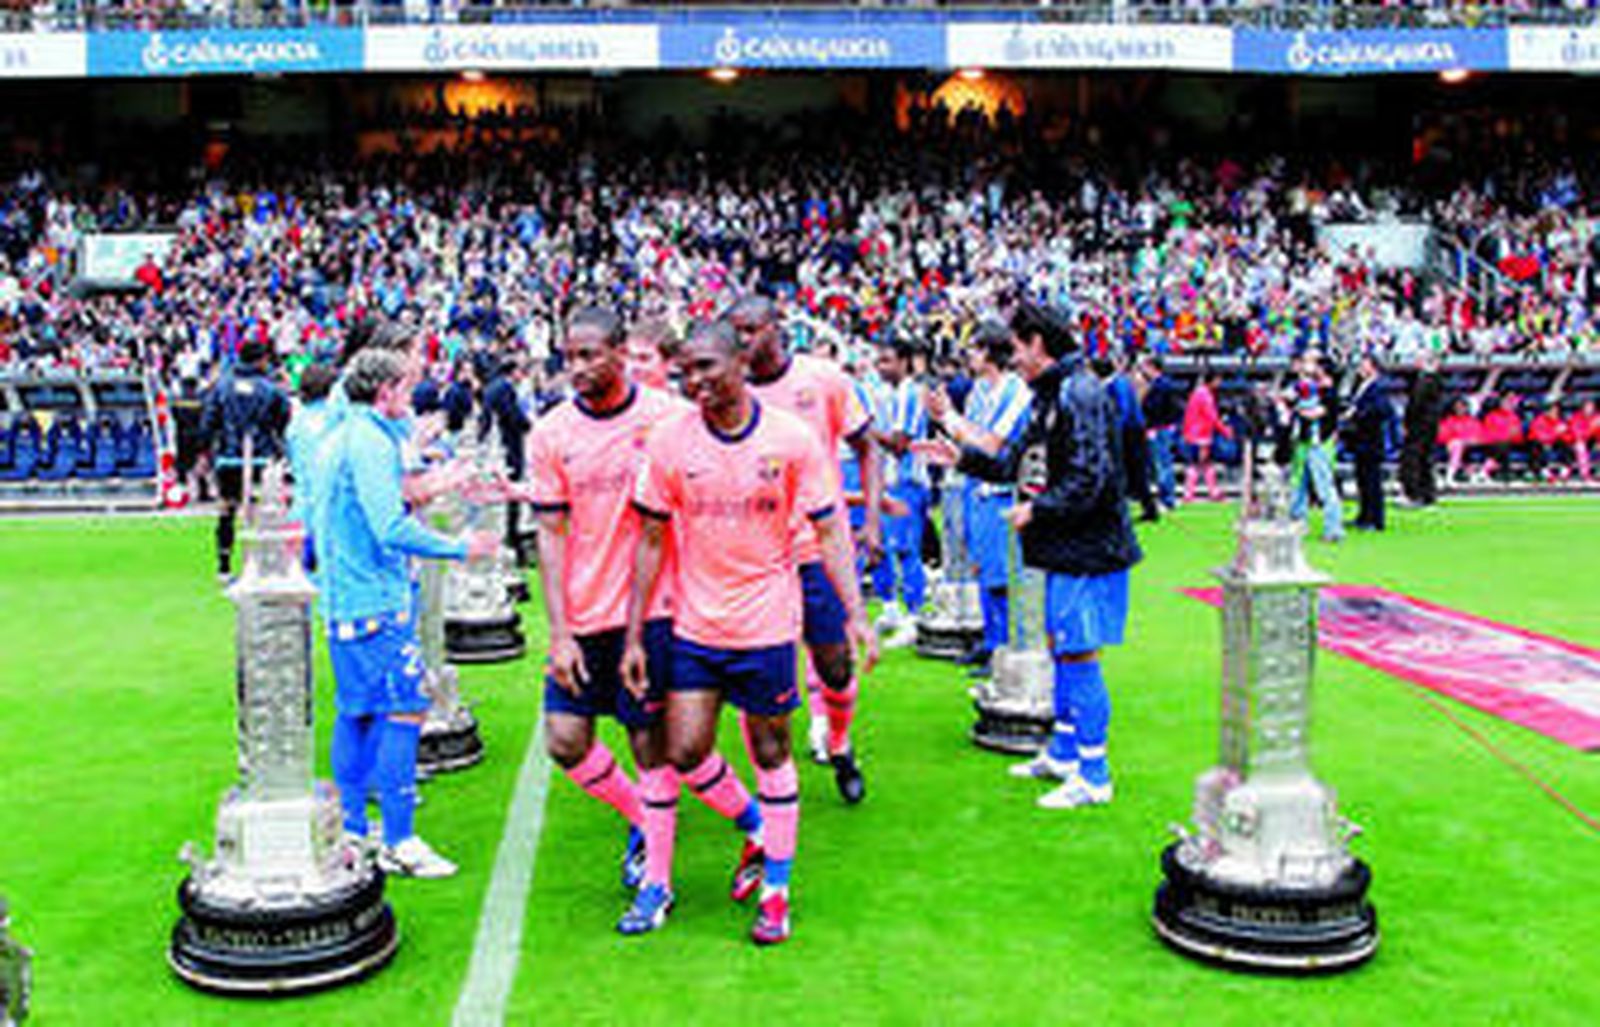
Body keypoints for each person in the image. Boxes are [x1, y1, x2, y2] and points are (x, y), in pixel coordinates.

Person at [621, 320, 876, 945]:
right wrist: (634, 634)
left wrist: (855, 611)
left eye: (707, 367)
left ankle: (776, 893)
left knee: (770, 751)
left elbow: (829, 528)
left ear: (739, 363)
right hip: (695, 624)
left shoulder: (789, 439)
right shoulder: (670, 440)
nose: (696, 381)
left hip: (765, 625)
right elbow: (650, 538)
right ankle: (756, 824)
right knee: (684, 750)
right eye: (687, 371)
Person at [517, 307, 768, 923]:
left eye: (588, 355)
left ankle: (657, 885)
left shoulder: (668, 419)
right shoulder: (550, 433)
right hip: (584, 613)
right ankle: (735, 821)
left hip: (654, 609)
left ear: (619, 353)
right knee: (565, 741)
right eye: (568, 357)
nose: (576, 368)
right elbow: (550, 533)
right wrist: (560, 631)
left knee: (653, 747)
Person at [917, 304, 1141, 810]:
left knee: (1079, 653)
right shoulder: (1050, 395)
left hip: (1090, 549)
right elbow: (1012, 464)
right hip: (1064, 545)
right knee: (1060, 648)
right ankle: (1063, 752)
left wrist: (1037, 509)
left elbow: (1092, 477)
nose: (1013, 357)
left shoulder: (1079, 393)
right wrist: (962, 458)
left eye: (1017, 347)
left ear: (1038, 342)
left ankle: (1094, 774)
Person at [312, 347, 499, 878]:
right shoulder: (369, 441)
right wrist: (461, 548)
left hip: (345, 596)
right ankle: (399, 840)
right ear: (385, 390)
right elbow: (389, 526)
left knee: (357, 709)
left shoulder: (341, 435)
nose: (413, 395)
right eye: (407, 385)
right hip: (375, 597)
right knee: (406, 707)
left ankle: (353, 828)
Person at [731, 295, 882, 804]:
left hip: (817, 546)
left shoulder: (823, 379)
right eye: (735, 331)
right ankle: (773, 788)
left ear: (777, 328)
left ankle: (839, 742)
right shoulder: (729, 390)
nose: (742, 340)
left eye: (751, 329)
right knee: (760, 676)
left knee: (835, 664)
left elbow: (868, 446)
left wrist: (871, 520)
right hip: (755, 559)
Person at [926, 320, 1032, 674]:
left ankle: (1008, 646)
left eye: (974, 347)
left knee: (1004, 575)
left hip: (1001, 492)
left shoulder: (1017, 393)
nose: (968, 354)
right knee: (983, 569)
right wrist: (948, 430)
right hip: (975, 489)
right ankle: (990, 642)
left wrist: (950, 418)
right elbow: (968, 437)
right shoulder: (977, 391)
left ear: (989, 351)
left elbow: (992, 444)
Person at [201, 340, 291, 580]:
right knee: (265, 512)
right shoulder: (271, 389)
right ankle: (264, 564)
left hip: (229, 458)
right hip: (262, 458)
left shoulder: (221, 387)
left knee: (226, 510)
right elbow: (283, 420)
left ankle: (224, 566)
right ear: (262, 360)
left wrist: (209, 451)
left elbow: (208, 422)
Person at [865, 340, 929, 647]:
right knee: (881, 545)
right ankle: (891, 608)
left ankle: (915, 616)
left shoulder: (910, 393)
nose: (881, 368)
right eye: (879, 361)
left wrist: (864, 431)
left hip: (907, 479)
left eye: (887, 361)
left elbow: (900, 443)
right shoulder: (887, 392)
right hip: (887, 479)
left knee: (906, 548)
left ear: (905, 362)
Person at [1287, 354, 1344, 543]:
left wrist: (1297, 409)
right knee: (1298, 484)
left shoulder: (1330, 393)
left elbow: (1315, 413)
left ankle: (1334, 529)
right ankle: (1297, 522)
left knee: (1324, 486)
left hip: (1319, 444)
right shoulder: (1311, 389)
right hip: (1304, 442)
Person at [1346, 354, 1393, 532]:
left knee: (1372, 481)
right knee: (1363, 480)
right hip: (1361, 439)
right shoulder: (1362, 385)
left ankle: (1375, 519)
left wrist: (1357, 413)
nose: (1360, 367)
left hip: (1371, 440)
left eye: (1364, 364)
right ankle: (1364, 516)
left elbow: (1382, 410)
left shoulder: (1379, 386)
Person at [1399, 351, 1443, 507]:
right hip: (1429, 426)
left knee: (1414, 460)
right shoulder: (1435, 380)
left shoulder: (1425, 381)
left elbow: (1415, 405)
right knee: (1425, 459)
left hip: (1419, 426)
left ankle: (1414, 494)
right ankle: (1427, 494)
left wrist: (1407, 423)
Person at [1139, 354, 1183, 510]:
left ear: (1152, 367)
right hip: (1161, 427)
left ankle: (1167, 499)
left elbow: (1154, 408)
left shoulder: (1161, 385)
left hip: (1159, 428)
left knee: (1162, 465)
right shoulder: (1161, 384)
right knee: (1163, 464)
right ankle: (1167, 497)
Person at [1181, 370, 1228, 503]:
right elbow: (1212, 416)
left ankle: (1211, 491)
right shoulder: (1204, 395)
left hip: (1195, 433)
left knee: (1203, 463)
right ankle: (1190, 493)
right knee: (1199, 463)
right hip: (1201, 434)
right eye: (1218, 380)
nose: (1219, 383)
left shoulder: (1198, 393)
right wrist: (1224, 430)